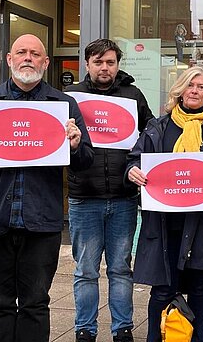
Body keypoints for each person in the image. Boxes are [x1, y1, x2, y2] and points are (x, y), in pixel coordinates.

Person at [0, 34, 94, 342]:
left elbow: (85, 161)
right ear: (10, 60)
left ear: (45, 62)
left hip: (40, 224)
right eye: (21, 52)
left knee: (36, 304)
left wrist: (77, 146)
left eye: (35, 54)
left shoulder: (63, 105)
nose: (28, 58)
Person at [126, 66, 203, 342]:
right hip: (165, 224)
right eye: (191, 85)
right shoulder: (158, 126)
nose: (195, 91)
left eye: (202, 87)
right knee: (162, 290)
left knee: (200, 290)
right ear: (180, 90)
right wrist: (132, 170)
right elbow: (135, 159)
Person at [65, 39, 154, 342]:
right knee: (86, 270)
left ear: (118, 64)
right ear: (87, 64)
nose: (105, 68)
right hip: (83, 197)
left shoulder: (133, 96)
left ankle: (122, 329)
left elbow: (152, 135)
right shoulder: (70, 98)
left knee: (120, 269)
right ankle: (85, 330)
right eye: (98, 62)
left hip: (123, 197)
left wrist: (140, 164)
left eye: (111, 62)